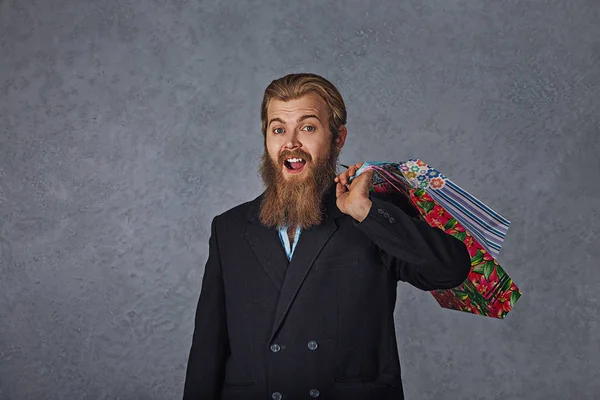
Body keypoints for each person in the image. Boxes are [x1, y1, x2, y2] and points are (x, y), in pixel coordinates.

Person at [182, 73, 471, 400]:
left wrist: (366, 211)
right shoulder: (229, 228)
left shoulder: (372, 213)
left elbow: (451, 270)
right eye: (278, 129)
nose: (291, 143)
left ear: (338, 138)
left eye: (307, 127)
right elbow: (208, 349)